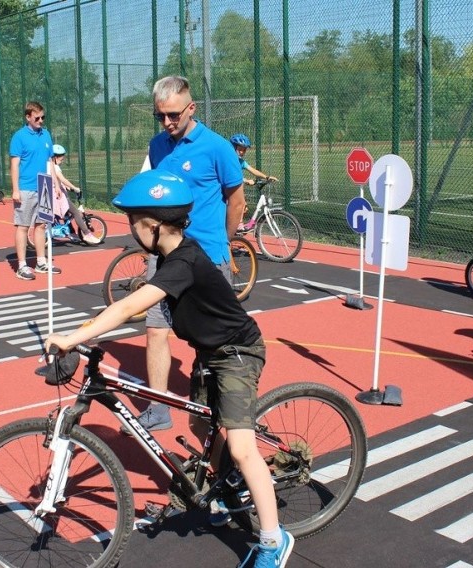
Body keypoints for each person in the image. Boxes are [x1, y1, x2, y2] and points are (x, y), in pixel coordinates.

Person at [45, 170, 294, 567]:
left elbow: (129, 307)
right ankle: (228, 485)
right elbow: (133, 307)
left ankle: (272, 541)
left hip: (237, 353)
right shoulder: (168, 257)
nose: (130, 230)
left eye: (133, 223)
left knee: (242, 448)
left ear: (154, 225)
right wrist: (92, 329)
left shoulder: (183, 262)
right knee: (201, 426)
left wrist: (74, 336)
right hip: (209, 352)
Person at [139, 75, 245, 433]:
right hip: (167, 257)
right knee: (155, 331)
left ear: (191, 108)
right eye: (160, 116)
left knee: (210, 343)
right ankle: (157, 408)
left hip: (206, 259)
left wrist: (223, 244)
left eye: (173, 115)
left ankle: (217, 414)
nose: (167, 123)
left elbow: (237, 201)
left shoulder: (217, 148)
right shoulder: (157, 147)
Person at [9, 101, 60, 280]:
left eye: (43, 117)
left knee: (41, 226)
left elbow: (50, 163)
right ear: (28, 117)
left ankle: (41, 262)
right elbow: (14, 165)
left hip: (44, 186)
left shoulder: (46, 135)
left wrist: (56, 185)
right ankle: (22, 266)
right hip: (26, 188)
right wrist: (15, 190)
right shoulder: (19, 137)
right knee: (23, 227)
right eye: (37, 118)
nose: (40, 121)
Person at [50, 144, 101, 245]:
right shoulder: (55, 167)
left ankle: (72, 233)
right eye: (61, 159)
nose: (62, 161)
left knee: (67, 214)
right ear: (55, 158)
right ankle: (87, 234)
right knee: (76, 213)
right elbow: (62, 179)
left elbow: (57, 181)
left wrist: (67, 187)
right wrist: (74, 188)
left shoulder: (49, 166)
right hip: (59, 197)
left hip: (54, 194)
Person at [229, 133, 278, 232]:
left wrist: (267, 177)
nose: (242, 152)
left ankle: (238, 227)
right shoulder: (229, 160)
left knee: (243, 206)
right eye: (240, 149)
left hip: (237, 189)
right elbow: (230, 175)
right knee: (240, 204)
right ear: (234, 147)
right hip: (226, 189)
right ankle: (236, 226)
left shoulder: (241, 162)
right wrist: (245, 180)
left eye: (244, 150)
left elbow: (252, 170)